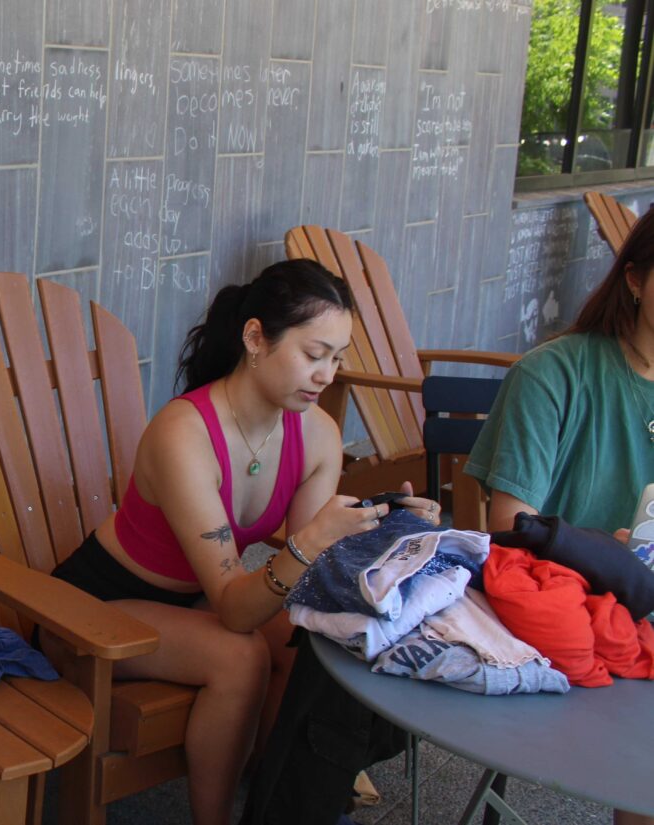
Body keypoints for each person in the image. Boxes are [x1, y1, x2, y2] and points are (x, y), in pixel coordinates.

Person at [47, 259, 440, 825]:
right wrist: (308, 542)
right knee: (242, 656)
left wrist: (384, 529)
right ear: (255, 337)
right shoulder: (185, 435)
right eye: (312, 354)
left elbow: (313, 580)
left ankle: (275, 800)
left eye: (337, 358)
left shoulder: (318, 436)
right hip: (90, 611)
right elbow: (238, 609)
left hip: (195, 602)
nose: (327, 375)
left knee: (310, 639)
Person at [466, 208, 654, 825]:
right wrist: (602, 551)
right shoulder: (554, 374)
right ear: (634, 279)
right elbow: (512, 529)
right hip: (571, 615)